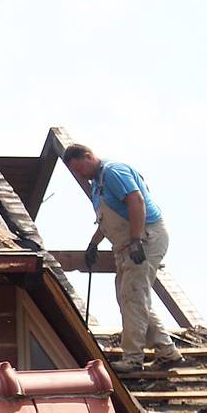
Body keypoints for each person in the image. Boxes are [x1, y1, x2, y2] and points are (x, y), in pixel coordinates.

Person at [64, 144, 181, 373]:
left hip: (145, 238)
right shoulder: (98, 183)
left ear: (89, 156)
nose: (81, 175)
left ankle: (133, 359)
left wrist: (136, 239)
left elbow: (136, 202)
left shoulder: (113, 172)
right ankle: (167, 352)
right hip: (128, 244)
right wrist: (93, 244)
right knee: (130, 295)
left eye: (80, 168)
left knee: (133, 296)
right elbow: (108, 220)